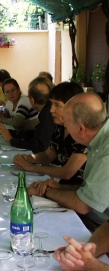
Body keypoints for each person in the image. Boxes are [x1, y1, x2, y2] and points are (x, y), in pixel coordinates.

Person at [28, 92, 108, 228]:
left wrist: (45, 192)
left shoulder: (106, 153)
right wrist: (61, 188)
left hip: (98, 227)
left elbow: (83, 205)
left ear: (81, 128)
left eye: (67, 122)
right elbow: (89, 190)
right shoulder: (99, 138)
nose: (65, 126)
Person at [14, 82, 87, 185]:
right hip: (62, 185)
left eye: (57, 105)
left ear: (73, 107)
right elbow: (48, 156)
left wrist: (33, 168)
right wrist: (27, 158)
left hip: (79, 192)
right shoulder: (60, 128)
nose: (51, 109)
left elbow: (67, 173)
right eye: (51, 103)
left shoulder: (82, 132)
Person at [0, 76, 55, 153]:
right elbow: (33, 134)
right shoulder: (45, 112)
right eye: (7, 92)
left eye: (57, 105)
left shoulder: (48, 115)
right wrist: (7, 132)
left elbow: (39, 146)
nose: (11, 94)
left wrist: (11, 140)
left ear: (32, 100)